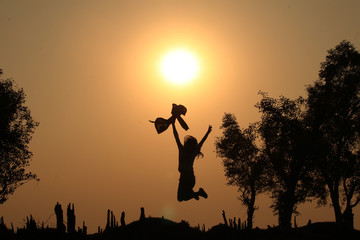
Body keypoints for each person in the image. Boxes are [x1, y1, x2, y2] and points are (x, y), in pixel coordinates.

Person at [172, 121, 212, 201]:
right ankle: (195, 193)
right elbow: (201, 142)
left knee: (180, 198)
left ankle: (196, 193)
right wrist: (207, 132)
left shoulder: (182, 150)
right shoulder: (193, 152)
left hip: (185, 177)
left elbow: (176, 136)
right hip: (191, 178)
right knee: (182, 198)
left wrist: (173, 124)